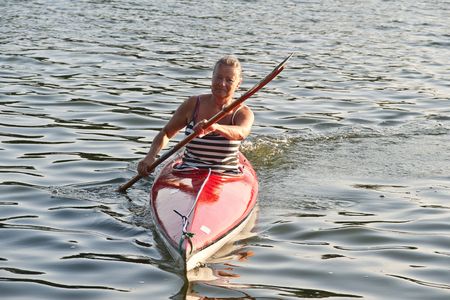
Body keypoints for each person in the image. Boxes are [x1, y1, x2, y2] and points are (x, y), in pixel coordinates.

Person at [137, 55, 254, 176]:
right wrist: (150, 157)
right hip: (188, 171)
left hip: (226, 174)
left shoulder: (243, 112)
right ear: (212, 77)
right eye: (218, 77)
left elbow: (242, 132)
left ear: (238, 83)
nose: (222, 84)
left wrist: (215, 127)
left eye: (229, 80)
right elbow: (166, 133)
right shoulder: (192, 104)